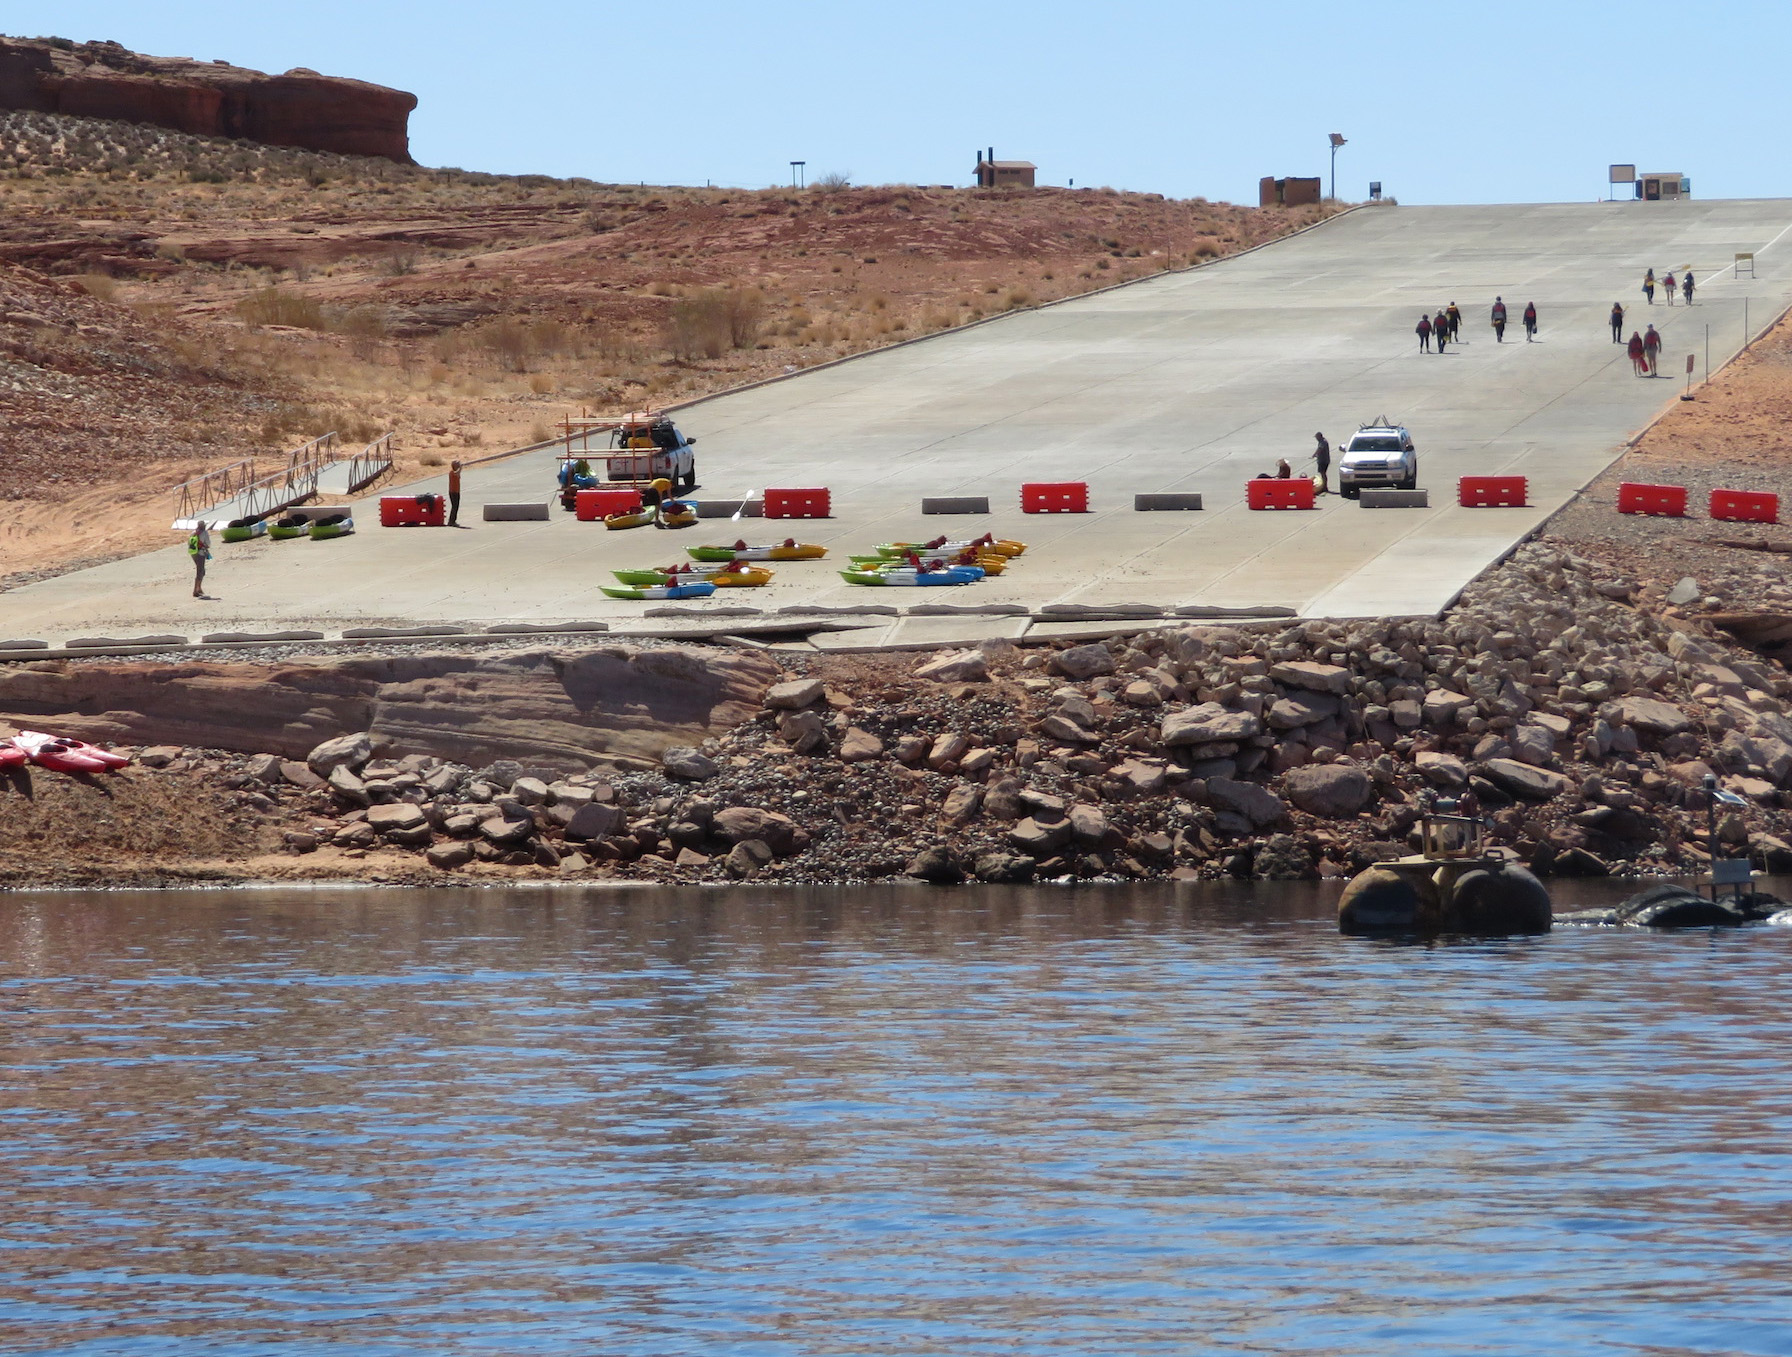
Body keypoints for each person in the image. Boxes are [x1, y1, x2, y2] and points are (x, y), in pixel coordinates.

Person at [188, 520, 212, 598]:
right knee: (200, 571)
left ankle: (199, 588)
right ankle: (196, 590)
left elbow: (189, 543)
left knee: (201, 570)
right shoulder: (204, 533)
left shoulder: (193, 532)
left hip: (193, 553)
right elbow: (208, 544)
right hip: (200, 553)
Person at [447, 460, 463, 527]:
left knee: (456, 506)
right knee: (454, 506)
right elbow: (457, 473)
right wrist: (461, 468)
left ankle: (453, 520)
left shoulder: (456, 472)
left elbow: (458, 475)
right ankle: (451, 521)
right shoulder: (451, 472)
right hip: (453, 492)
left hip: (456, 491)